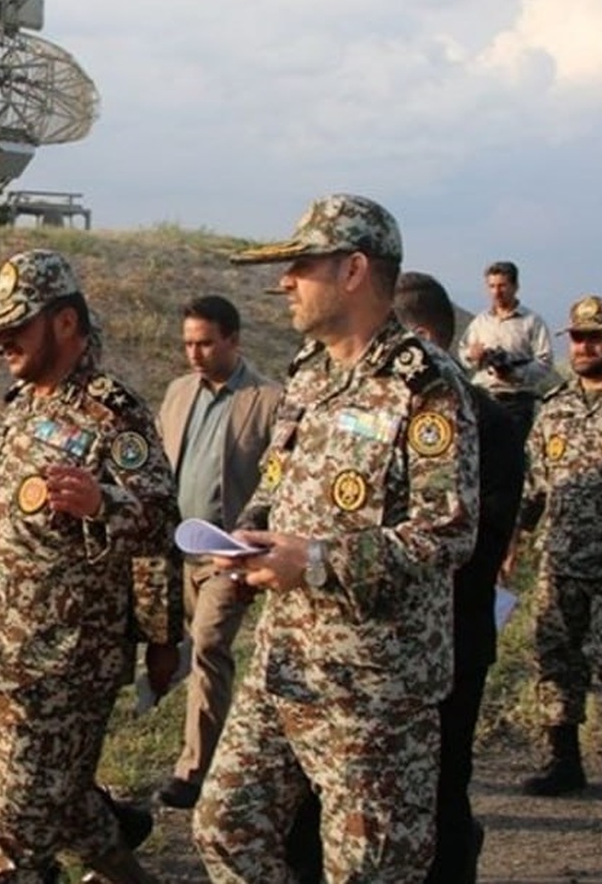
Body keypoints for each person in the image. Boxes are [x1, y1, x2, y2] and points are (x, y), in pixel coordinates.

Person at [192, 193, 480, 884]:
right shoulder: (310, 373)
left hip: (374, 685)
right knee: (224, 826)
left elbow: (449, 532)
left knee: (369, 870)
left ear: (354, 270)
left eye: (302, 265)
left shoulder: (425, 385)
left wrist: (316, 560)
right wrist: (247, 539)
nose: (286, 280)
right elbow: (281, 477)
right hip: (286, 660)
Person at [284, 271, 522, 884]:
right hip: (348, 644)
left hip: (445, 646)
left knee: (437, 798)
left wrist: (333, 556)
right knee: (328, 809)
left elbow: (467, 545)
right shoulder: (343, 395)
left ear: (418, 337)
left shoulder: (484, 422)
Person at [0, 249, 182, 884]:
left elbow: (163, 523)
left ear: (65, 324)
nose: (2, 340)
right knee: (63, 800)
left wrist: (101, 501)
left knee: (16, 835)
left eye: (16, 325)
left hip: (67, 661)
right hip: (6, 649)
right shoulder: (24, 406)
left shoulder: (113, 413)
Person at [506, 295, 602, 797]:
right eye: (577, 337)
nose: (585, 346)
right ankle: (564, 761)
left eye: (596, 336)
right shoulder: (555, 410)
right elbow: (534, 486)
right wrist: (514, 537)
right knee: (555, 659)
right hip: (560, 554)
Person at [153, 295, 280, 810]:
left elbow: (278, 483)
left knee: (208, 647)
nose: (195, 353)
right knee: (174, 651)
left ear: (233, 339)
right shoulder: (178, 392)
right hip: (174, 552)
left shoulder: (269, 400)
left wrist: (250, 546)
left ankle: (194, 770)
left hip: (227, 557)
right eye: (188, 343)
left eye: (205, 343)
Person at [458, 260, 554, 443]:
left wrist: (515, 374)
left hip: (516, 402)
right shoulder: (480, 322)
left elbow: (545, 362)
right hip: (483, 399)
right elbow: (462, 354)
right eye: (491, 286)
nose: (496, 292)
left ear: (515, 286)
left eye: (502, 285)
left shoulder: (532, 321)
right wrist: (472, 355)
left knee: (513, 458)